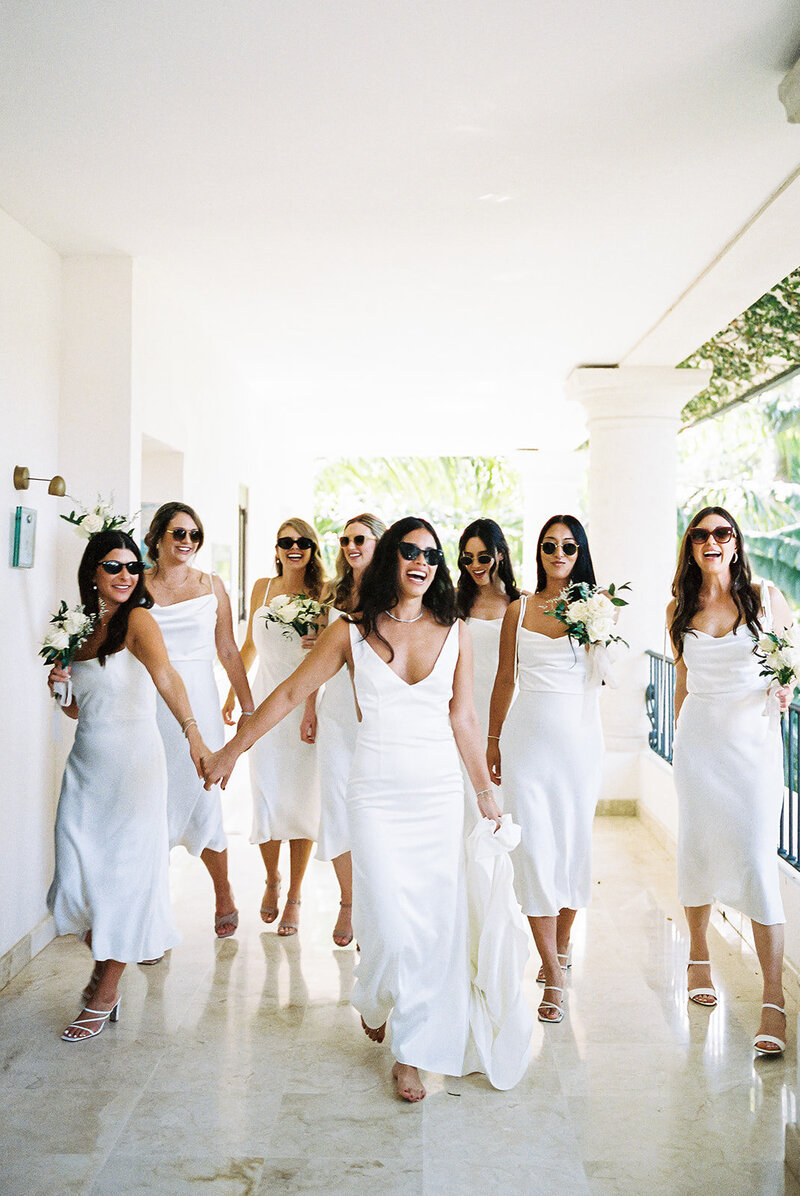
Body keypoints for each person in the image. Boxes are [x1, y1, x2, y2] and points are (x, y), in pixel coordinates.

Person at [203, 516, 517, 1103]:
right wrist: (231, 749)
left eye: (430, 553)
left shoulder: (456, 631)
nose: (420, 562)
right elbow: (293, 691)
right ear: (389, 561)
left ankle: (411, 1050)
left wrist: (486, 794)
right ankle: (377, 997)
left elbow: (464, 718)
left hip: (437, 796)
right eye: (408, 552)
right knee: (390, 924)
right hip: (374, 793)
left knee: (432, 928)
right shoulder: (349, 632)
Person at [46, 530, 209, 1041]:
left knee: (123, 877)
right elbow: (80, 707)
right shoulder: (79, 628)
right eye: (113, 567)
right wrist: (58, 689)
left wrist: (193, 734)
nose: (125, 576)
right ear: (92, 572)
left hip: (136, 768)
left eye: (132, 567)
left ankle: (107, 987)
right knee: (75, 875)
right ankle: (108, 956)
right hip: (88, 766)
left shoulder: (140, 620)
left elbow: (167, 678)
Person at [668, 506, 794, 1056]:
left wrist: (787, 691)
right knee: (695, 849)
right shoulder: (677, 609)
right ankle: (698, 955)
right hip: (698, 749)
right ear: (692, 547)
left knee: (755, 859)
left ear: (736, 543)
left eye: (723, 533)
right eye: (702, 535)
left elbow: (790, 660)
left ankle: (773, 995)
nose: (712, 542)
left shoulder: (765, 599)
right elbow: (682, 680)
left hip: (753, 750)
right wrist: (677, 746)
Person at [487, 515, 604, 1025]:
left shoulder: (596, 610)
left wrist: (599, 635)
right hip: (525, 743)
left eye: (569, 546)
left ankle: (564, 938)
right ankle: (552, 970)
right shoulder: (519, 608)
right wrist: (492, 741)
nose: (560, 553)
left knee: (573, 845)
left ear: (580, 553)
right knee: (532, 850)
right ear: (538, 551)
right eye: (550, 545)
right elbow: (503, 680)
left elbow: (603, 681)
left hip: (579, 746)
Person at [145, 501, 254, 939]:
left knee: (203, 798)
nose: (187, 541)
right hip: (149, 699)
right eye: (178, 533)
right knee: (149, 803)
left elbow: (228, 650)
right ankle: (151, 916)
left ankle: (223, 890)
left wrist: (248, 709)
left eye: (194, 535)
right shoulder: (138, 586)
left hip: (201, 704)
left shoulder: (212, 586)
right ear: (158, 537)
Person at [224, 517, 324, 936]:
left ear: (313, 548)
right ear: (277, 547)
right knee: (266, 792)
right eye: (286, 541)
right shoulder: (263, 587)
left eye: (302, 541)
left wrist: (312, 707)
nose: (294, 547)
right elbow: (248, 645)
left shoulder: (325, 592)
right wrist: (235, 692)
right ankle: (271, 880)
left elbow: (329, 650)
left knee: (302, 800)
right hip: (264, 698)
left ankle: (296, 895)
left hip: (305, 700)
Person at [301, 513, 386, 947]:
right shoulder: (334, 594)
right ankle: (348, 900)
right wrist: (309, 709)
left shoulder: (393, 592)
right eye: (345, 540)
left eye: (360, 539)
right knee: (336, 803)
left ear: (379, 542)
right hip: (334, 710)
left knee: (374, 807)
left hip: (378, 715)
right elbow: (317, 657)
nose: (351, 546)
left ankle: (376, 898)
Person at [455, 519, 521, 821]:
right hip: (462, 713)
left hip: (507, 714)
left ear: (501, 555)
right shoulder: (453, 604)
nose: (475, 565)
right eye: (467, 558)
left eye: (483, 557)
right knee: (466, 803)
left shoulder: (521, 604)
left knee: (506, 802)